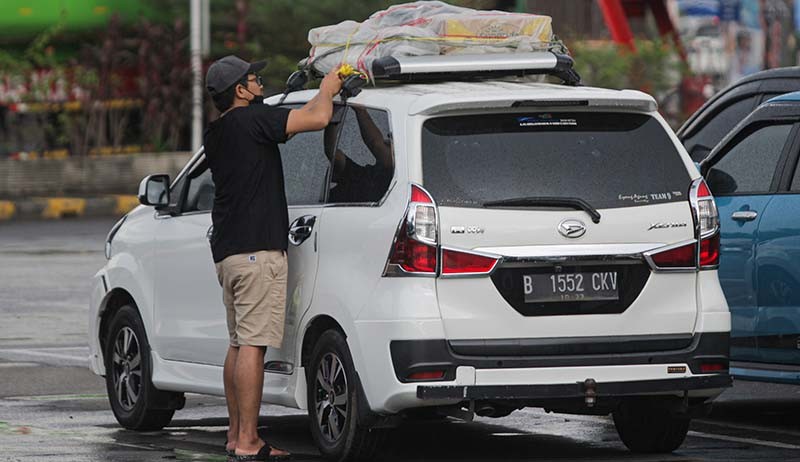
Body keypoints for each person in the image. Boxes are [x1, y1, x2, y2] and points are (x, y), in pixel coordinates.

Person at [203, 55, 342, 461]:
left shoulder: (217, 132)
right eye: (254, 78)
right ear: (240, 91)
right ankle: (249, 442)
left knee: (237, 344)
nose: (260, 82)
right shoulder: (252, 121)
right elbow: (315, 119)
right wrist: (328, 89)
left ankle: (235, 435)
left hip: (228, 253)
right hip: (256, 253)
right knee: (254, 346)